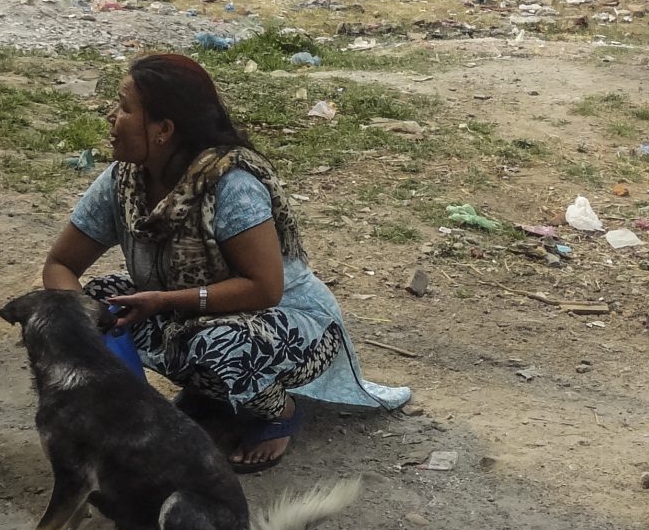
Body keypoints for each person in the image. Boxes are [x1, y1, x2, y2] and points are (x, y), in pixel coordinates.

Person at [41, 53, 409, 470]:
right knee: (94, 302)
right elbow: (60, 266)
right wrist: (87, 327)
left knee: (219, 346)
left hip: (291, 324)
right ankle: (212, 397)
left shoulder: (230, 185)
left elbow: (265, 289)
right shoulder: (122, 182)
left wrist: (164, 302)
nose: (112, 117)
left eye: (125, 108)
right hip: (192, 310)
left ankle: (280, 412)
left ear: (163, 130)